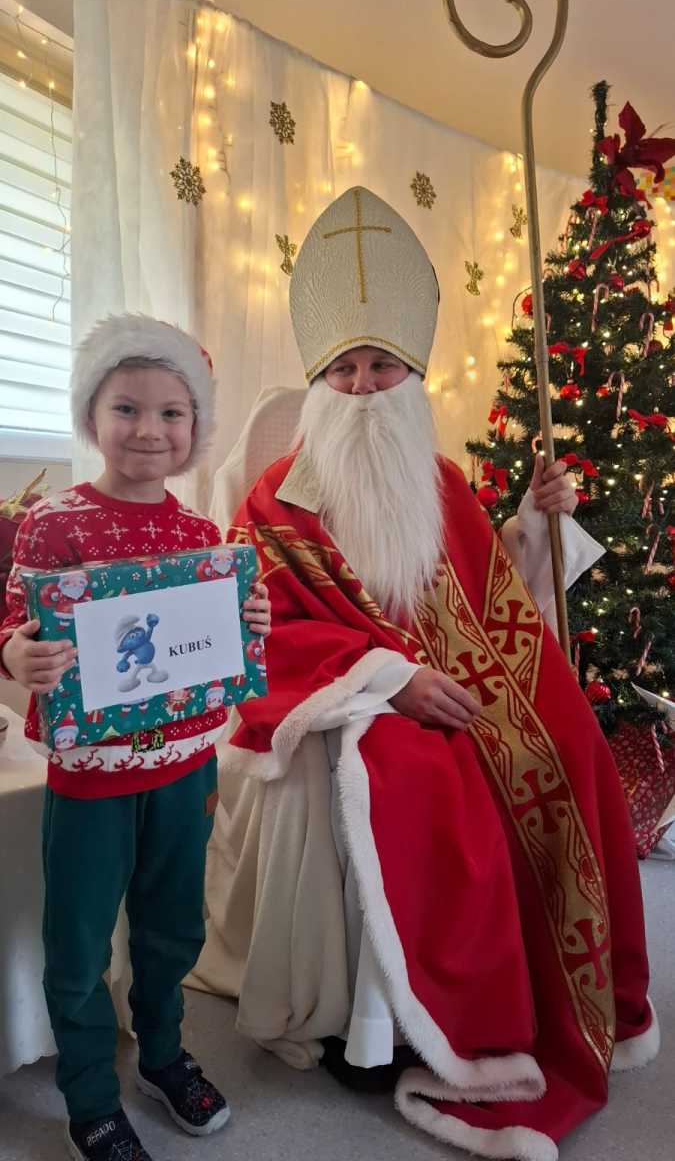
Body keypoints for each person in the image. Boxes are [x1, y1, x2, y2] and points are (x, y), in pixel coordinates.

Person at [193, 188, 658, 1161]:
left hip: (446, 678)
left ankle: (544, 992)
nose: (364, 387)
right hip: (349, 706)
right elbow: (257, 631)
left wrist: (534, 523)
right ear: (320, 381)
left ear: (412, 374)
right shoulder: (276, 498)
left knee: (565, 735)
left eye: (382, 365)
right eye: (344, 368)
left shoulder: (438, 478)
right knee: (416, 774)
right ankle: (389, 1032)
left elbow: (491, 596)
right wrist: (386, 679)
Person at [0, 314, 271, 1161]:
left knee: (173, 927)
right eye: (126, 408)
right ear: (92, 416)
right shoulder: (53, 523)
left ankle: (161, 1054)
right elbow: (15, 622)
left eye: (171, 413)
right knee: (78, 943)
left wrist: (250, 624)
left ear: (195, 428)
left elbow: (219, 644)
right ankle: (89, 1095)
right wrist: (15, 652)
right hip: (91, 776)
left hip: (187, 767)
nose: (149, 430)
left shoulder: (202, 538)